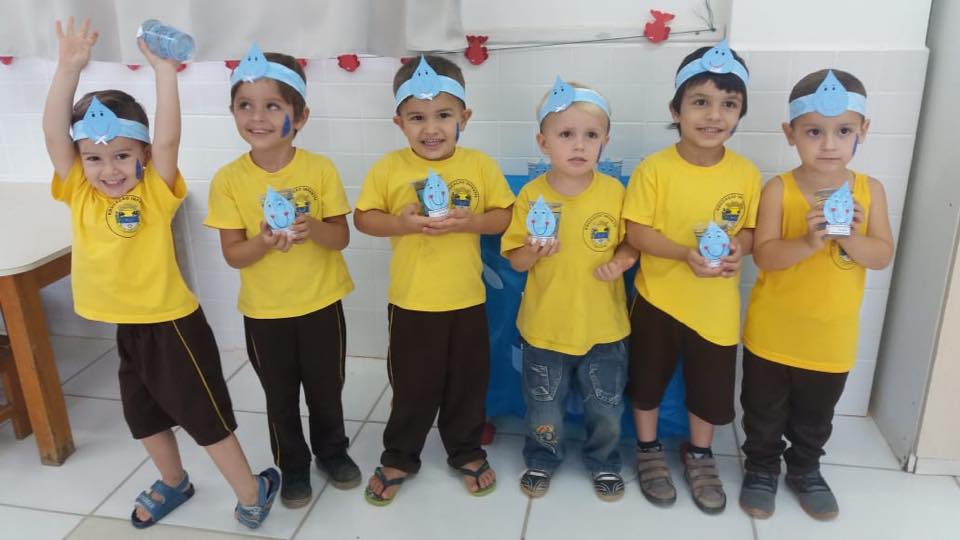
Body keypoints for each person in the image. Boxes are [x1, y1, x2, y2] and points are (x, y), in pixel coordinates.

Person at [42, 19, 277, 529]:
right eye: (94, 158)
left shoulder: (153, 191)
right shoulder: (78, 191)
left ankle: (251, 489)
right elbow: (55, 135)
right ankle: (174, 481)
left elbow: (169, 138)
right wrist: (68, 69)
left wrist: (165, 72)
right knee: (142, 417)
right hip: (128, 327)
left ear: (143, 156)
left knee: (203, 417)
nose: (108, 170)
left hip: (172, 326)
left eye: (122, 156)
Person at [353, 55, 514, 505]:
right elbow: (363, 219)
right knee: (413, 385)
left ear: (464, 117)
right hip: (412, 302)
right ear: (399, 122)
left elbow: (504, 216)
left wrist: (472, 221)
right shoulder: (389, 168)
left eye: (443, 115)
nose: (431, 128)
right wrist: (400, 224)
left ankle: (465, 449)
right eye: (417, 118)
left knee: (467, 382)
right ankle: (400, 455)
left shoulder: (479, 165)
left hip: (466, 300)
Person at [205, 44, 361, 509]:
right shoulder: (228, 180)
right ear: (232, 112)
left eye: (273, 106)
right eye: (245, 105)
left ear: (301, 115)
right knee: (280, 397)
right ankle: (292, 465)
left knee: (326, 389)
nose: (258, 117)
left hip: (321, 303)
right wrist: (264, 242)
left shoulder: (320, 169)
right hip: (265, 313)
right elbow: (234, 255)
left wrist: (312, 228)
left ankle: (332, 452)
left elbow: (341, 237)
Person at [739, 69, 894, 521]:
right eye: (813, 132)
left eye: (843, 131)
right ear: (790, 134)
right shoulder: (778, 189)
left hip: (831, 337)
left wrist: (847, 236)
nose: (828, 144)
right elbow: (765, 256)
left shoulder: (871, 191)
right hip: (772, 333)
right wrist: (809, 241)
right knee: (763, 411)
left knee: (816, 416)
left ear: (863, 131)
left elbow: (881, 255)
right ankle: (761, 467)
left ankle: (805, 468)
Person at [623, 40, 760, 514]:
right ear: (675, 110)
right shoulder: (654, 170)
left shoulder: (746, 174)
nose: (714, 115)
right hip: (657, 299)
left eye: (729, 104)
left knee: (709, 388)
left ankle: (700, 454)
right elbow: (637, 232)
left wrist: (740, 247)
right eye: (700, 101)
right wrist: (684, 254)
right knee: (646, 381)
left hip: (715, 306)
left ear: (740, 114)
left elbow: (749, 229)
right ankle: (647, 449)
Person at [501, 78, 636, 502]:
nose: (579, 145)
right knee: (544, 405)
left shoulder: (615, 192)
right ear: (543, 143)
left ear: (605, 141)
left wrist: (622, 261)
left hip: (604, 327)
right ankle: (542, 457)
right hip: (545, 327)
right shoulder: (532, 195)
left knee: (606, 405)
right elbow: (515, 261)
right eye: (566, 135)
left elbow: (632, 242)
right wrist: (533, 250)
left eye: (591, 135)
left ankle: (604, 461)